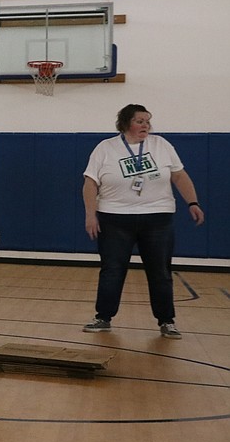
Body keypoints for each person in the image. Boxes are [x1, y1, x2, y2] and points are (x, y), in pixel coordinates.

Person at [81, 104, 204, 339]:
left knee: (160, 271)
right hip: (114, 219)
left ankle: (166, 321)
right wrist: (90, 214)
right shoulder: (105, 148)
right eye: (139, 121)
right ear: (126, 123)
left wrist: (193, 203)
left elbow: (179, 175)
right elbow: (90, 183)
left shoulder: (162, 145)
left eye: (147, 121)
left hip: (157, 218)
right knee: (112, 270)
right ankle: (103, 317)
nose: (145, 125)